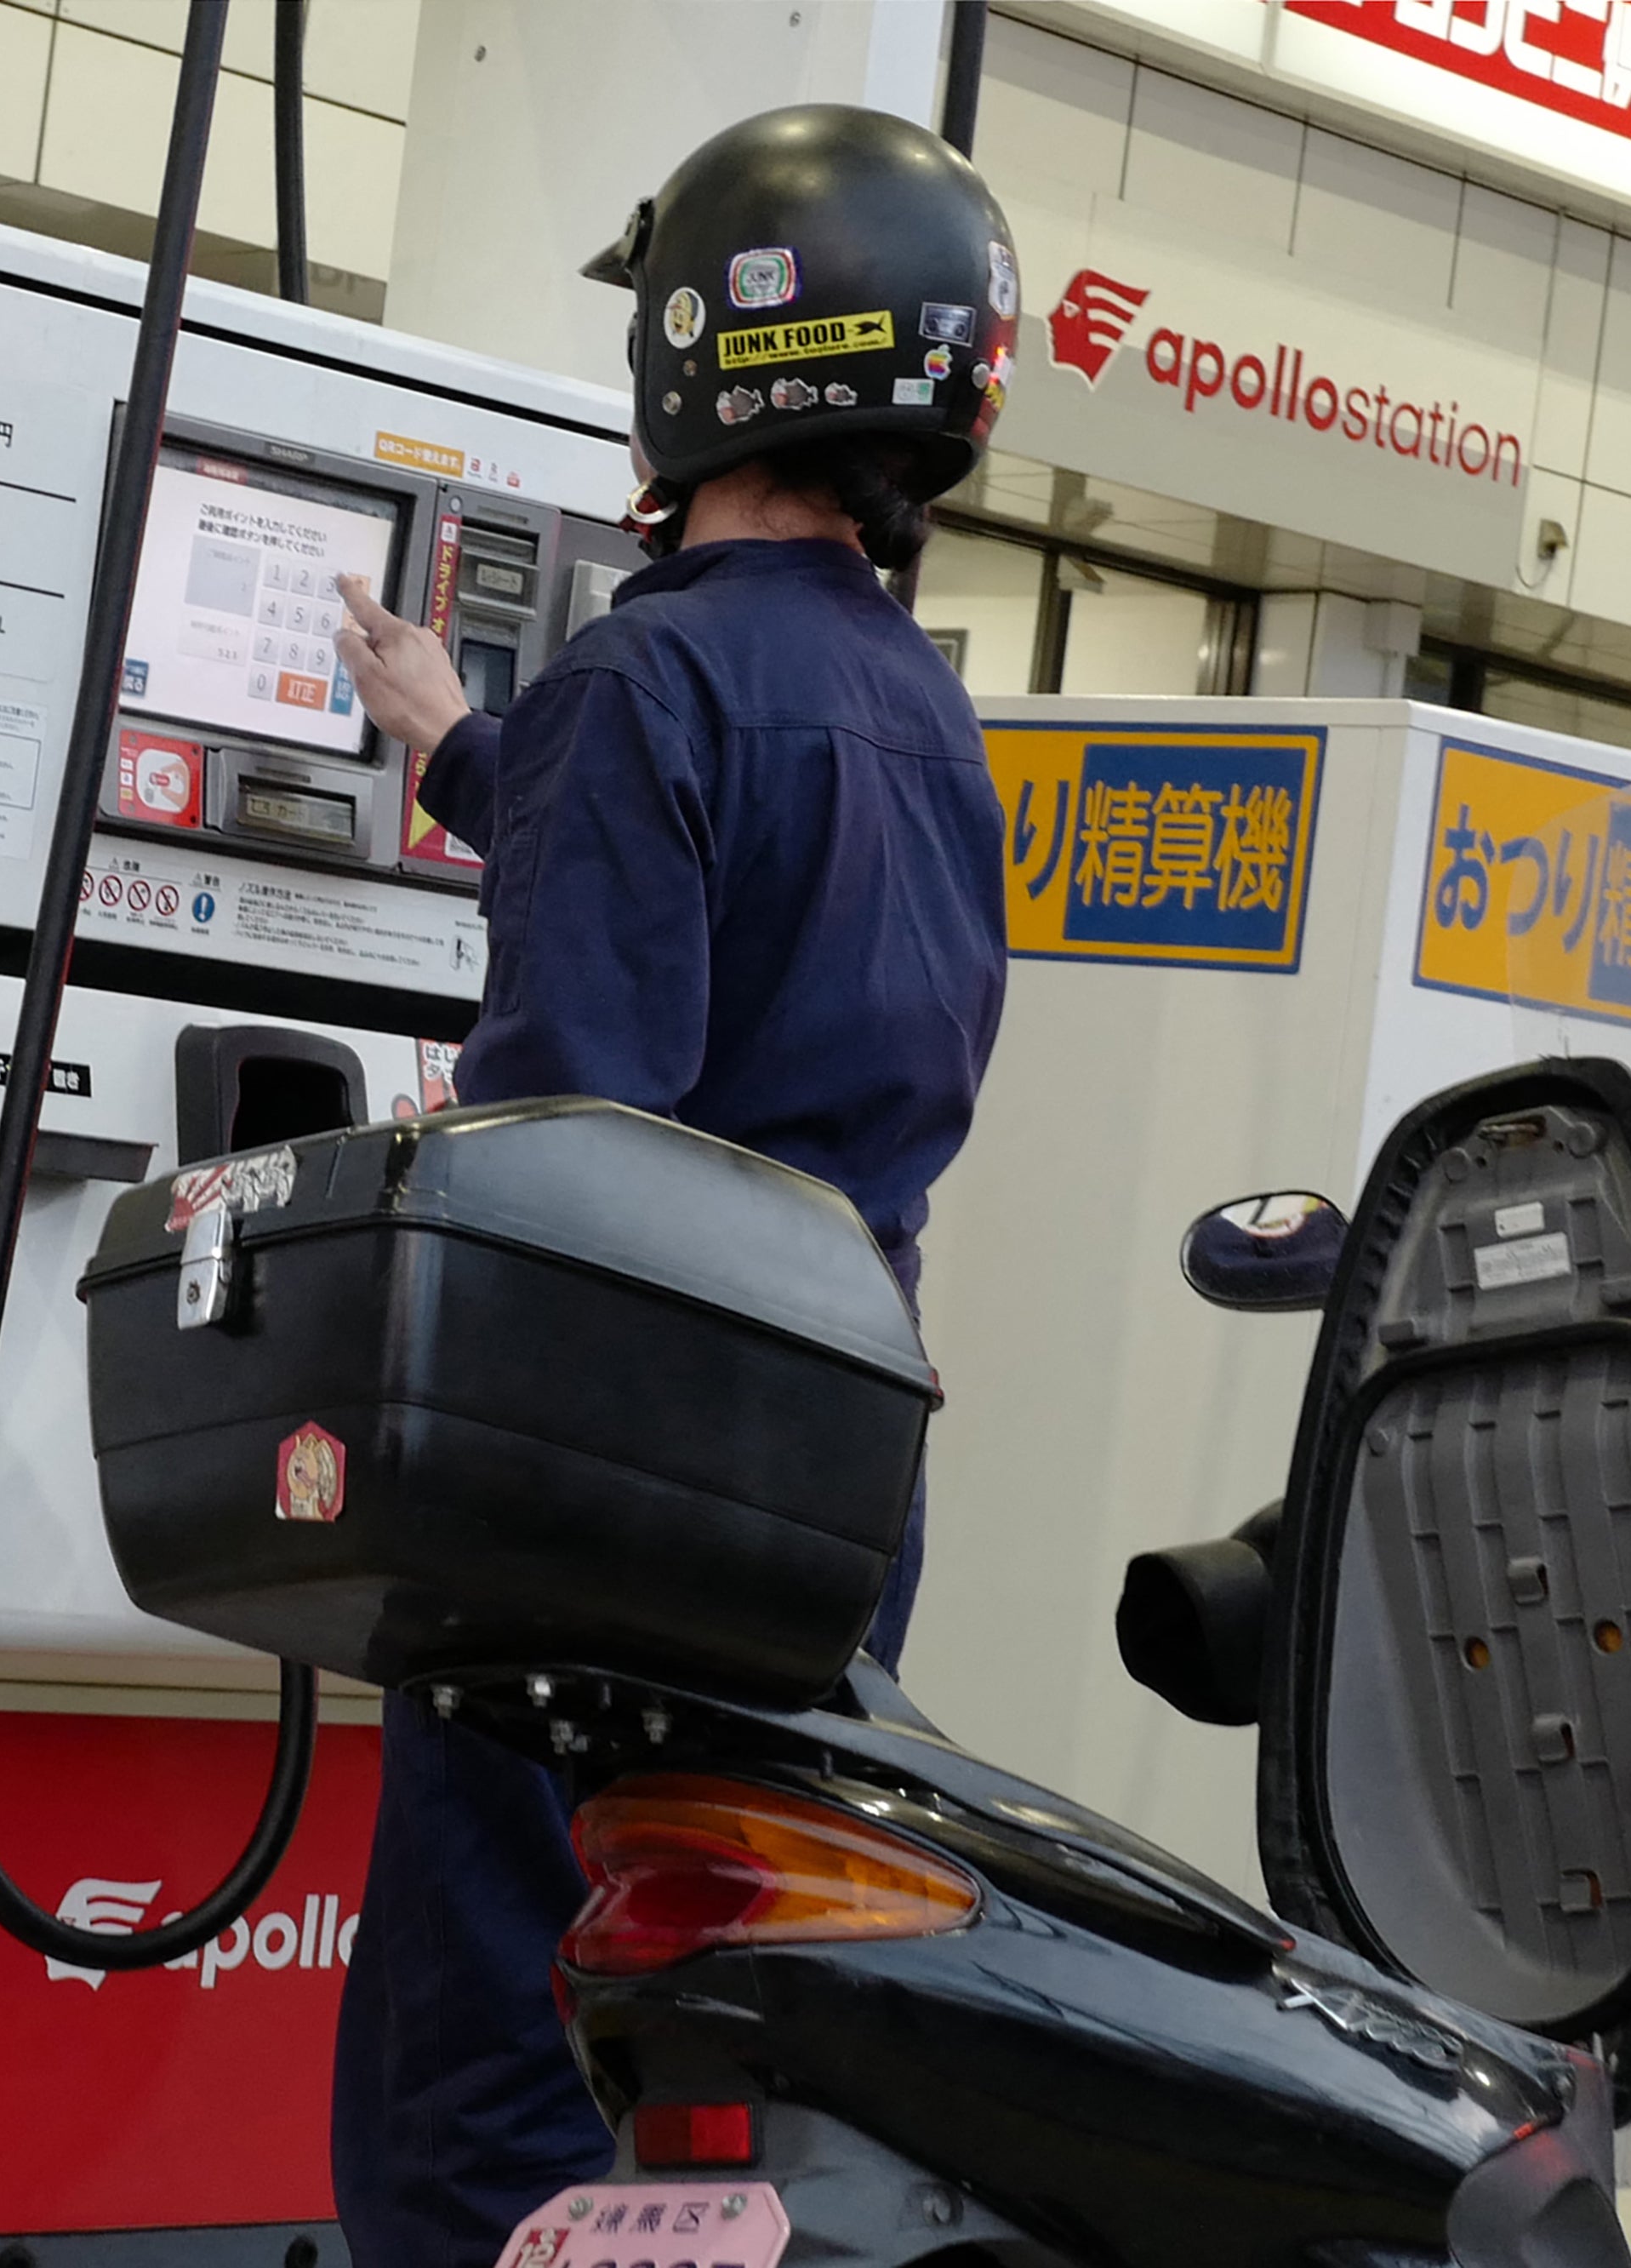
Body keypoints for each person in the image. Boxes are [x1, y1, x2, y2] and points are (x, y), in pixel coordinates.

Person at [319, 104, 1024, 2262]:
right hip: (832, 1482)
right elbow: (734, 879)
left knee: (484, 2075)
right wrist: (459, 750)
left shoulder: (643, 674)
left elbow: (570, 1153)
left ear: (708, 357)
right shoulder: (919, 708)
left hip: (602, 1497)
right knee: (707, 2053)